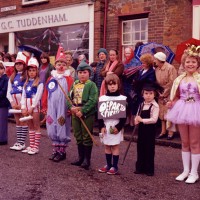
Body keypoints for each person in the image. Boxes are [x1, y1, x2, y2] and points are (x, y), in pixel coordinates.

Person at [166, 46, 200, 184]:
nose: (190, 64)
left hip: (196, 110)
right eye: (188, 62)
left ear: (198, 64)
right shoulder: (179, 79)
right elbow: (176, 95)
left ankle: (194, 172)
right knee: (184, 142)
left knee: (194, 142)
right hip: (182, 109)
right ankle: (186, 170)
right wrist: (171, 102)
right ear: (183, 63)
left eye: (193, 62)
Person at [41, 52, 73, 162]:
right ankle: (55, 149)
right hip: (51, 106)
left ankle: (62, 151)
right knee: (51, 125)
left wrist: (70, 108)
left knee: (61, 125)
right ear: (55, 65)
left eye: (63, 64)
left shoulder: (69, 79)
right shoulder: (51, 78)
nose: (61, 66)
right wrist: (44, 106)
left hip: (63, 107)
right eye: (58, 64)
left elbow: (72, 94)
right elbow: (46, 92)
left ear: (66, 66)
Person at [69, 61, 98, 170]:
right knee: (78, 135)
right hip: (75, 111)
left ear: (89, 73)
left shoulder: (91, 85)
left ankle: (87, 160)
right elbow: (69, 97)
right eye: (80, 72)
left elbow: (93, 100)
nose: (82, 74)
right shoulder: (75, 83)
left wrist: (83, 111)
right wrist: (71, 107)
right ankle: (80, 158)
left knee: (86, 136)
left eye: (84, 72)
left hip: (86, 113)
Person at [98, 74, 126, 175]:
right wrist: (101, 127)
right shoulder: (102, 99)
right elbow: (100, 115)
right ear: (106, 86)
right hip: (106, 125)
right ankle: (108, 165)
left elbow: (123, 117)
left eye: (114, 84)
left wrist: (118, 127)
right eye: (110, 84)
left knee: (114, 146)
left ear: (118, 85)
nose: (112, 86)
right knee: (107, 146)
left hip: (116, 125)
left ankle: (115, 166)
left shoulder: (122, 98)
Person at [134, 82, 160, 176]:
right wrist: (136, 119)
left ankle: (149, 169)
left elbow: (154, 119)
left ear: (154, 94)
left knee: (149, 149)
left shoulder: (155, 106)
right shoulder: (141, 104)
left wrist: (142, 120)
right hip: (141, 130)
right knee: (140, 147)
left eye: (151, 94)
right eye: (146, 94)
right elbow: (137, 115)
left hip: (150, 130)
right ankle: (140, 168)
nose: (148, 96)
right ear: (143, 94)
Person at [21, 58, 44, 155]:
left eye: (33, 70)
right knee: (30, 126)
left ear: (37, 71)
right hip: (26, 106)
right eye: (29, 70)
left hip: (34, 107)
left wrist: (32, 107)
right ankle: (31, 145)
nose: (31, 72)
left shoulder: (39, 83)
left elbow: (38, 96)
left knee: (36, 125)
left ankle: (36, 147)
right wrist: (23, 107)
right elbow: (23, 95)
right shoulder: (26, 83)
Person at [7, 52, 29, 150]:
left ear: (24, 65)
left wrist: (22, 103)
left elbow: (26, 90)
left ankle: (22, 142)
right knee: (17, 122)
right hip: (14, 103)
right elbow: (9, 91)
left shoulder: (26, 76)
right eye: (17, 64)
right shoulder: (12, 76)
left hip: (22, 103)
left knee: (23, 121)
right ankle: (18, 142)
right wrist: (12, 102)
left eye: (20, 64)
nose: (18, 66)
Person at [154, 52, 177, 140]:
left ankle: (170, 132)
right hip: (160, 94)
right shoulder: (157, 69)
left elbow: (172, 82)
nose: (154, 61)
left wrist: (164, 94)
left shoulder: (170, 68)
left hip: (169, 94)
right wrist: (159, 92)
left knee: (169, 113)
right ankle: (163, 131)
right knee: (162, 114)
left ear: (160, 60)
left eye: (155, 59)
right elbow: (157, 82)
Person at [0, 61, 10, 145]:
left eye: (1, 68)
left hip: (3, 103)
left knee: (2, 121)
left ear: (4, 69)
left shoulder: (6, 78)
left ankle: (3, 139)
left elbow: (4, 91)